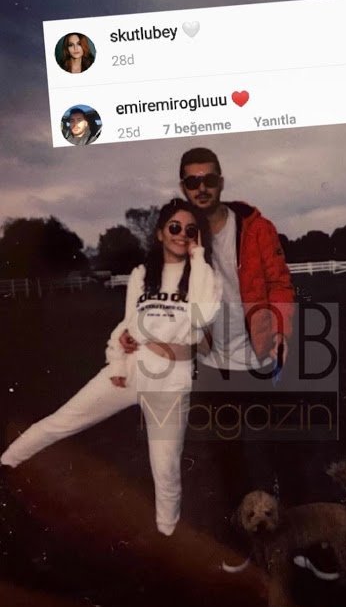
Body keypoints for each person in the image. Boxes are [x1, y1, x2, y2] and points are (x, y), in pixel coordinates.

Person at [0, 199, 222, 536]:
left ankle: (166, 531)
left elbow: (202, 317)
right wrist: (120, 353)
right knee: (64, 419)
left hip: (170, 383)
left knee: (165, 465)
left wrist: (198, 256)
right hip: (128, 371)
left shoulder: (204, 277)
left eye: (190, 230)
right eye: (174, 227)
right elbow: (128, 324)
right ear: (160, 233)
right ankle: (7, 461)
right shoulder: (141, 275)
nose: (182, 234)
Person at [120, 148, 295, 498]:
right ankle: (240, 530)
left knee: (274, 451)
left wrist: (280, 330)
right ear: (183, 187)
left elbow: (279, 283)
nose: (201, 188)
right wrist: (132, 329)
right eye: (192, 181)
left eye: (209, 179)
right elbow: (160, 289)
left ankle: (285, 526)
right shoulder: (184, 235)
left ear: (221, 182)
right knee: (228, 457)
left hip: (258, 353)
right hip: (211, 360)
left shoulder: (256, 228)